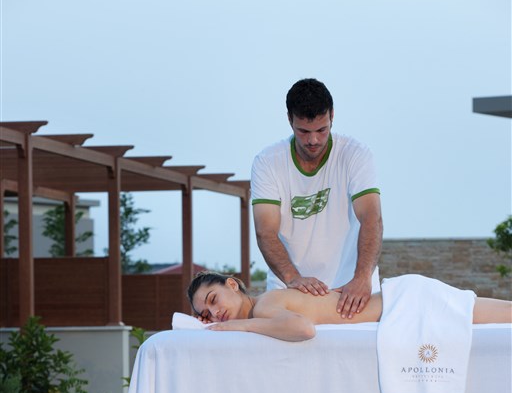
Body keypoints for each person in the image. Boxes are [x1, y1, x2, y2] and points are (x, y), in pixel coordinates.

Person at [251, 78, 383, 320]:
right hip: (290, 288)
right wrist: (293, 278)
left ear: (332, 116)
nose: (313, 140)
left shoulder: (355, 154)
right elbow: (265, 231)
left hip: (352, 290)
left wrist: (362, 278)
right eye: (304, 131)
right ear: (289, 119)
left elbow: (371, 218)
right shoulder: (267, 162)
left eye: (322, 130)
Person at [187, 271, 512, 343]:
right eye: (205, 314)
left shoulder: (265, 305)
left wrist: (237, 325)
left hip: (406, 304)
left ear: (232, 285)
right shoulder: (266, 307)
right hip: (402, 304)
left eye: (213, 300)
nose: (214, 315)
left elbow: (303, 329)